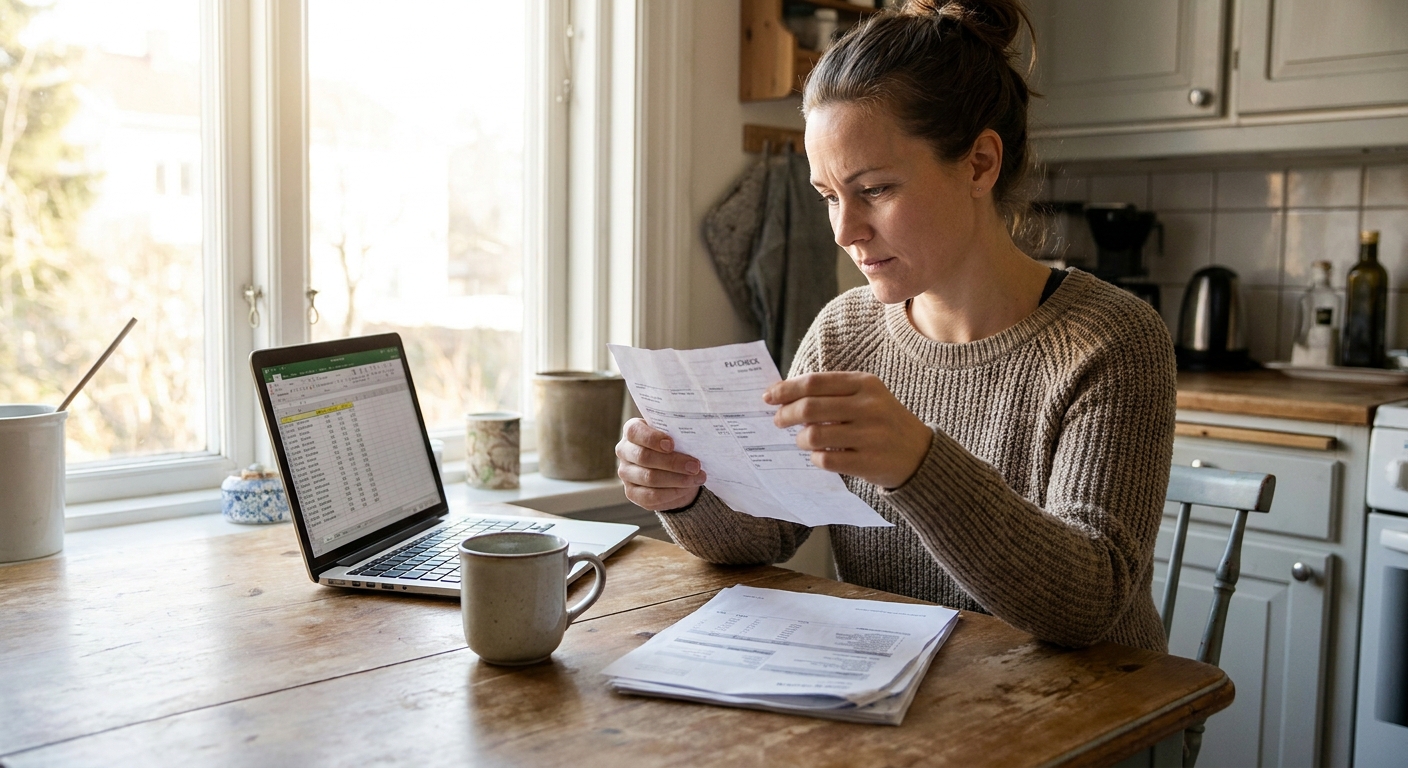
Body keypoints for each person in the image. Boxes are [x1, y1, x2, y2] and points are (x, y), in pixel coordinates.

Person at [614, 0, 1175, 652]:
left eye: (874, 189)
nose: (845, 231)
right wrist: (685, 492)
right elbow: (768, 533)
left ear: (979, 164)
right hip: (901, 703)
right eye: (829, 197)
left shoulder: (1112, 340)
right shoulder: (844, 332)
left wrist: (920, 465)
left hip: (1089, 726)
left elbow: (1088, 604)